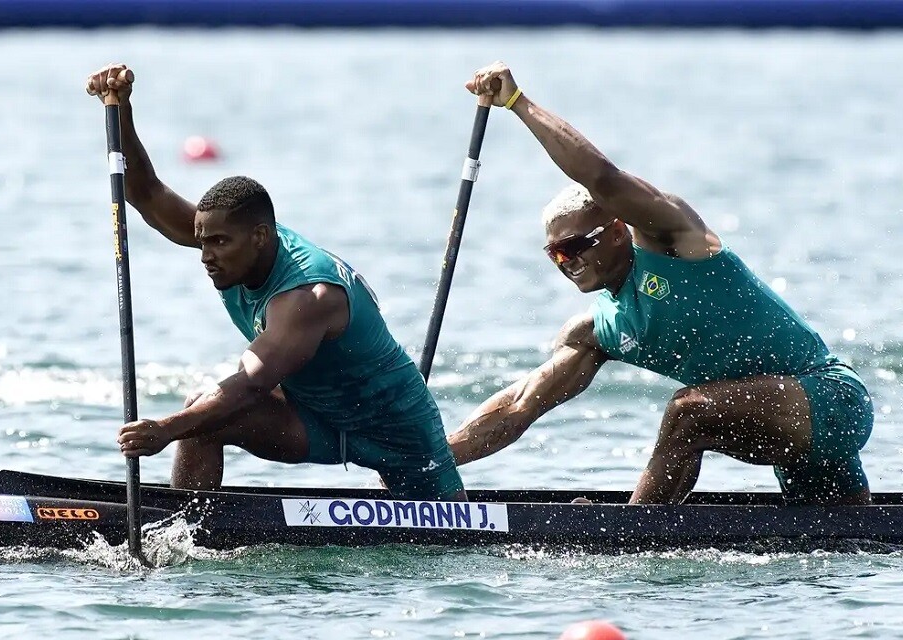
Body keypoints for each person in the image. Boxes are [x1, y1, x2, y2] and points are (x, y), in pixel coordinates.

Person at [447, 61, 873, 506]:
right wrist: (428, 461)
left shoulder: (674, 240)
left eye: (574, 246)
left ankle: (633, 537)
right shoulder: (595, 331)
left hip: (830, 399)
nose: (566, 262)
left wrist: (517, 103)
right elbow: (518, 408)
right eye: (554, 253)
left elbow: (603, 178)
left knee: (686, 412)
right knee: (848, 542)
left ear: (617, 231)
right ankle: (644, 530)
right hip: (777, 425)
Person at [85, 63, 465, 501]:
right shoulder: (236, 248)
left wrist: (163, 430)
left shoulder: (308, 296)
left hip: (398, 433)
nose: (206, 256)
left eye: (219, 243)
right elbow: (147, 193)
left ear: (260, 236)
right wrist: (120, 111)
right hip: (315, 419)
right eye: (202, 242)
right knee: (203, 418)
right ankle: (181, 534)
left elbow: (250, 385)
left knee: (448, 537)